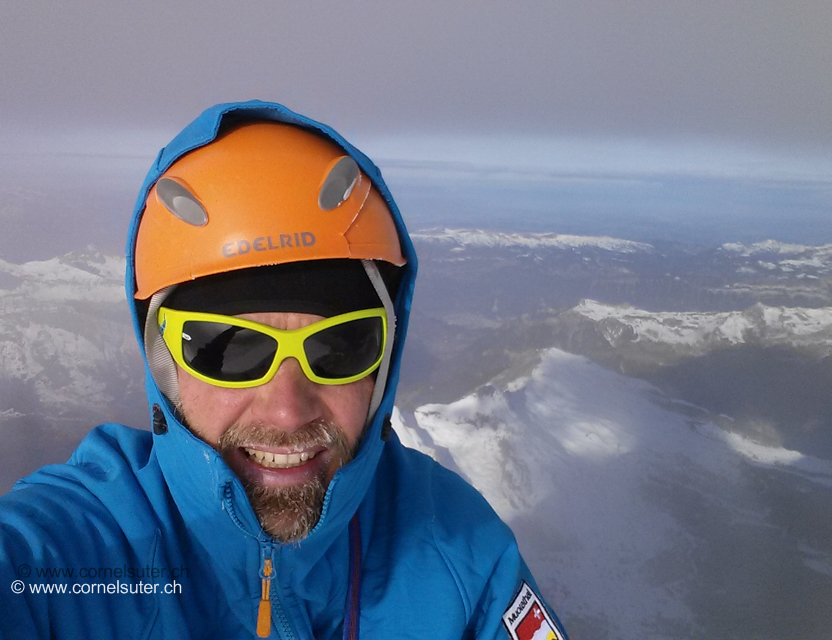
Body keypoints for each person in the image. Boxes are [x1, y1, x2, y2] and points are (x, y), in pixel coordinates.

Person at [0, 100, 567, 640]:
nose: (288, 408)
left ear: (383, 363)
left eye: (340, 347)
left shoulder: (463, 554)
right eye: (228, 349)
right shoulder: (80, 554)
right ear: (163, 363)